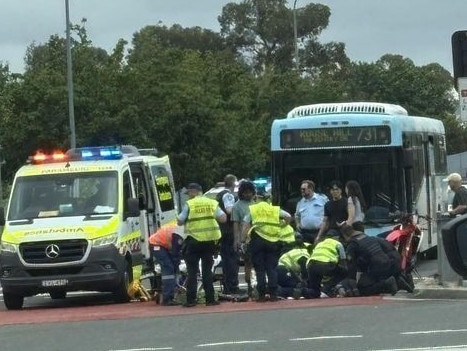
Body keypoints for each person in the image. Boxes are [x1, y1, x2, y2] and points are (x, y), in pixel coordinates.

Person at [177, 182, 227, 307]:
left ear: (194, 191)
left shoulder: (190, 204)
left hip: (193, 241)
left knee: (192, 272)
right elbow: (223, 218)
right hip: (209, 242)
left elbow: (180, 220)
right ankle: (210, 299)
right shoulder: (212, 203)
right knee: (207, 271)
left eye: (189, 193)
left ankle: (191, 300)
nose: (188, 196)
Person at [242, 196, 292, 302]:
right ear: (267, 201)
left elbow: (246, 224)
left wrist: (243, 239)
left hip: (257, 241)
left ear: (256, 200)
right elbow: (288, 216)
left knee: (260, 269)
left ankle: (262, 295)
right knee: (271, 268)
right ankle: (273, 294)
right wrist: (282, 225)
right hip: (273, 241)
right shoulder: (274, 209)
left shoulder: (254, 209)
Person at [340, 224, 398, 296]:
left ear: (345, 235)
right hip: (387, 263)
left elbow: (351, 265)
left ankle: (386, 284)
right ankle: (395, 283)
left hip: (375, 268)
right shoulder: (368, 237)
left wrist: (352, 281)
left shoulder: (353, 244)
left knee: (363, 288)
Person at [149, 223, 185, 306]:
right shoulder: (179, 234)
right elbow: (175, 253)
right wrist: (176, 266)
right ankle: (167, 298)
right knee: (168, 268)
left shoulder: (180, 229)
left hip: (161, 244)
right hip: (156, 244)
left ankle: (168, 295)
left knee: (170, 267)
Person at [232, 180, 256, 296]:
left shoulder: (256, 204)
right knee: (248, 262)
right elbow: (236, 224)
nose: (248, 194)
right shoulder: (237, 206)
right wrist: (236, 240)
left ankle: (257, 284)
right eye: (245, 192)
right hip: (245, 237)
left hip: (258, 236)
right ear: (241, 193)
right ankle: (249, 285)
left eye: (250, 192)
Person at [305, 232, 348, 298]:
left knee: (315, 291)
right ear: (337, 237)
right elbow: (343, 261)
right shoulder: (338, 243)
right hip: (325, 264)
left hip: (310, 265)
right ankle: (326, 289)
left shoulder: (319, 243)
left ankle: (304, 292)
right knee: (344, 271)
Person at [217, 174, 240, 294]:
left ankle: (228, 286)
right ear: (233, 183)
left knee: (227, 260)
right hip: (229, 231)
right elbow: (229, 210)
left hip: (222, 231)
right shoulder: (228, 195)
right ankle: (232, 286)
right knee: (232, 259)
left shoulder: (219, 195)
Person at [295, 180, 328, 244]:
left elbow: (329, 214)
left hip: (319, 233)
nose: (302, 191)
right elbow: (297, 215)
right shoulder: (300, 202)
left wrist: (326, 226)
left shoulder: (322, 199)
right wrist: (297, 224)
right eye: (301, 189)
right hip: (305, 234)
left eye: (304, 189)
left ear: (311, 189)